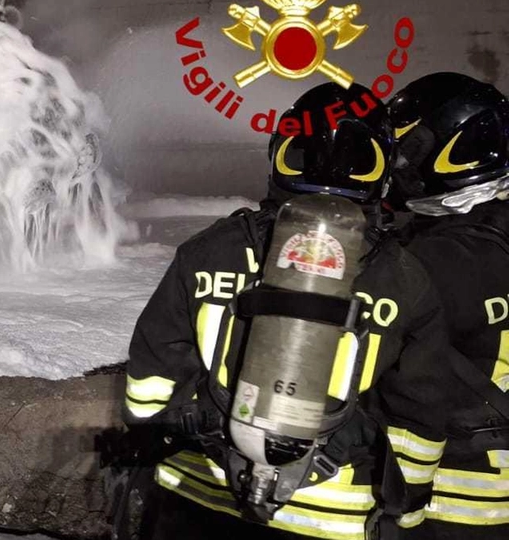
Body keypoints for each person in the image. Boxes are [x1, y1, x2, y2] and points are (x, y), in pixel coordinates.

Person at [121, 82, 449, 540]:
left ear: (281, 156)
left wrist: (151, 453)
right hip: (329, 514)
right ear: (381, 170)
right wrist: (407, 517)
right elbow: (421, 413)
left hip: (196, 493)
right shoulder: (405, 278)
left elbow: (149, 378)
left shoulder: (210, 251)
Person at [388, 72, 509, 538]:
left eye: (413, 149)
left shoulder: (429, 261)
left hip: (454, 502)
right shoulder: (488, 241)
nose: (399, 164)